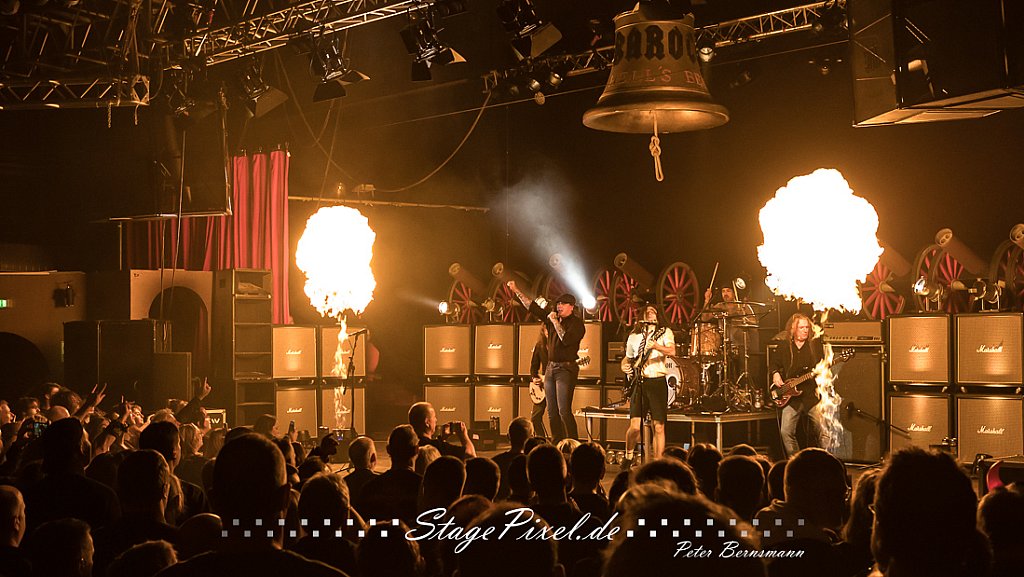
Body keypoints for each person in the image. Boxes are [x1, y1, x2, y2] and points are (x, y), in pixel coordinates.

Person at [507, 280, 586, 441]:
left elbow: (566, 339)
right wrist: (516, 290)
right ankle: (557, 442)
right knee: (551, 411)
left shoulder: (577, 324)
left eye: (563, 304)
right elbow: (532, 307)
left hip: (566, 369)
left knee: (564, 410)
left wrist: (555, 321)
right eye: (558, 304)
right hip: (551, 368)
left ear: (571, 307)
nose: (559, 306)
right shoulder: (551, 319)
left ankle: (573, 443)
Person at [621, 304, 675, 468]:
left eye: (654, 311)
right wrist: (623, 366)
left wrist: (656, 346)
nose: (651, 314)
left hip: (657, 381)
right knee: (635, 427)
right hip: (640, 382)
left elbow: (672, 351)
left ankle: (657, 463)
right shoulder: (634, 336)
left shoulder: (664, 332)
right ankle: (628, 455)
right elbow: (628, 358)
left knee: (658, 426)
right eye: (648, 311)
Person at [770, 312, 828, 457]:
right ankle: (795, 460)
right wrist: (775, 373)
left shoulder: (814, 346)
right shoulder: (784, 346)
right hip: (791, 397)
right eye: (801, 327)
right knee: (786, 432)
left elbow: (823, 366)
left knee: (824, 431)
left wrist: (819, 372)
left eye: (807, 327)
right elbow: (773, 363)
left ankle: (825, 460)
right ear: (793, 329)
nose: (805, 330)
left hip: (810, 396)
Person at [408, 401, 476, 459]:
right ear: (427, 422)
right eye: (434, 417)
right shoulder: (435, 447)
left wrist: (442, 439)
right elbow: (470, 455)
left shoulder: (407, 445)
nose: (436, 420)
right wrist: (463, 436)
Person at [527, 324, 550, 438]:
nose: (548, 332)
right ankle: (541, 441)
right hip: (542, 387)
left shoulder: (560, 346)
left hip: (555, 385)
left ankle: (560, 442)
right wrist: (534, 378)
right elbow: (533, 366)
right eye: (546, 329)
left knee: (556, 416)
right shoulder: (540, 345)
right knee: (535, 417)